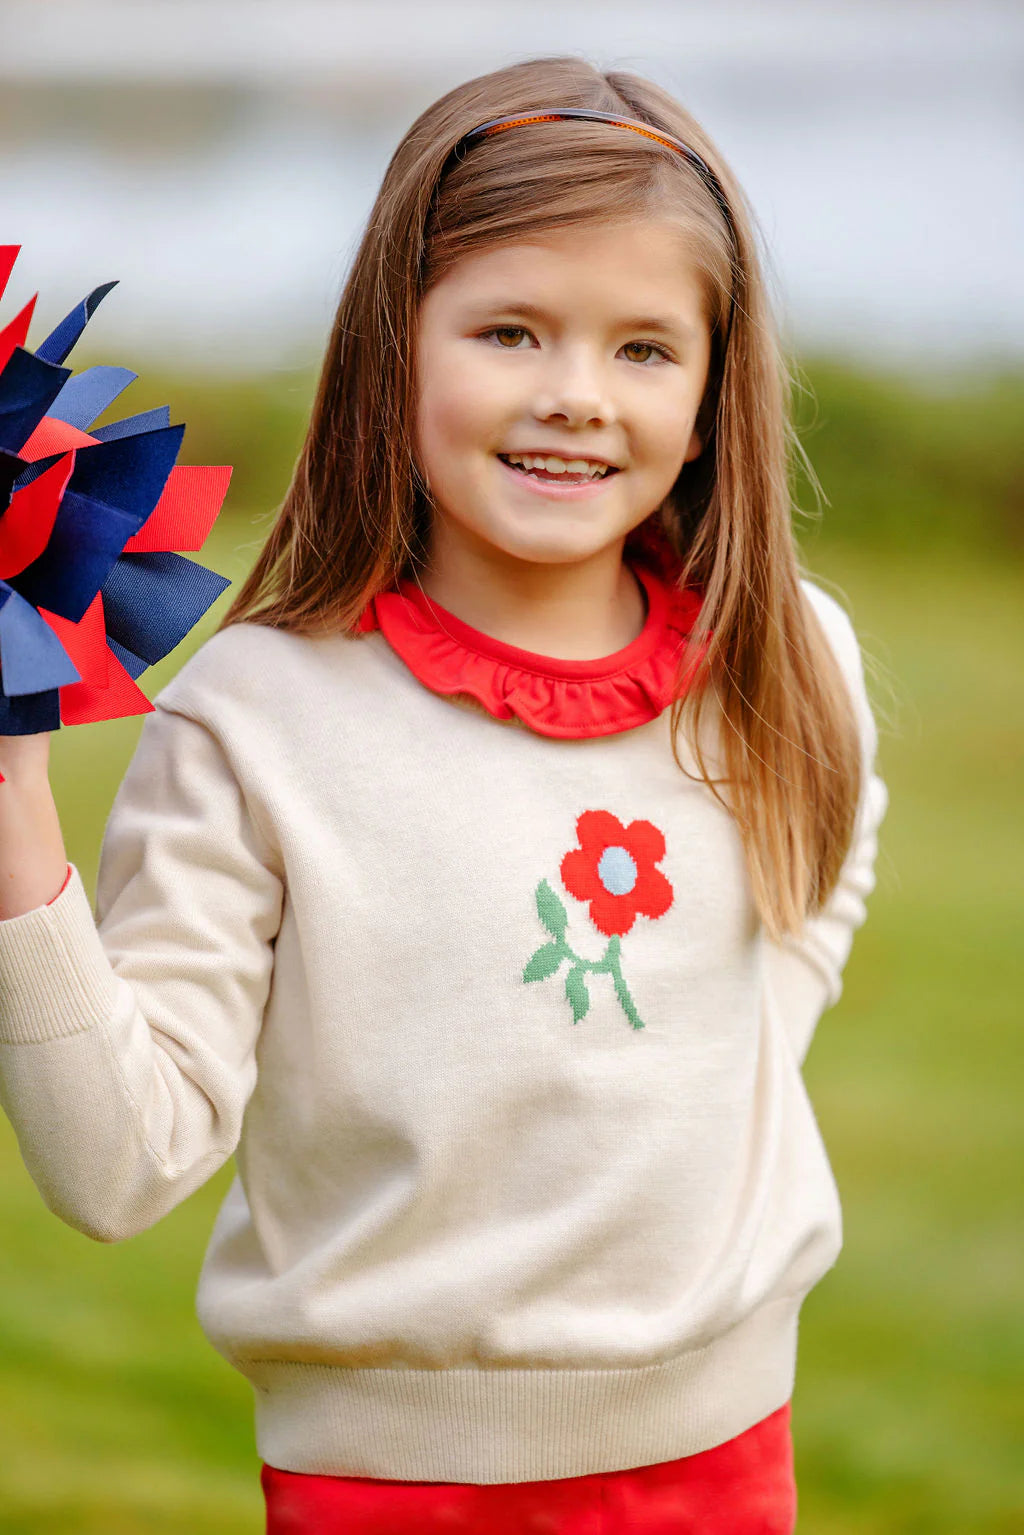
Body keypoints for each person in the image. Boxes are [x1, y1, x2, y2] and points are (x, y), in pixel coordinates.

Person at [0, 55, 889, 1535]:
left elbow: (829, 843)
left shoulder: (790, 655)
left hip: (730, 1446)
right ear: (392, 346)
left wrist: (743, 1044)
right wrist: (13, 796)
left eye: (645, 349)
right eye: (510, 330)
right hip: (393, 1484)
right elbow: (116, 1163)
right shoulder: (257, 721)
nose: (575, 398)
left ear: (716, 383)